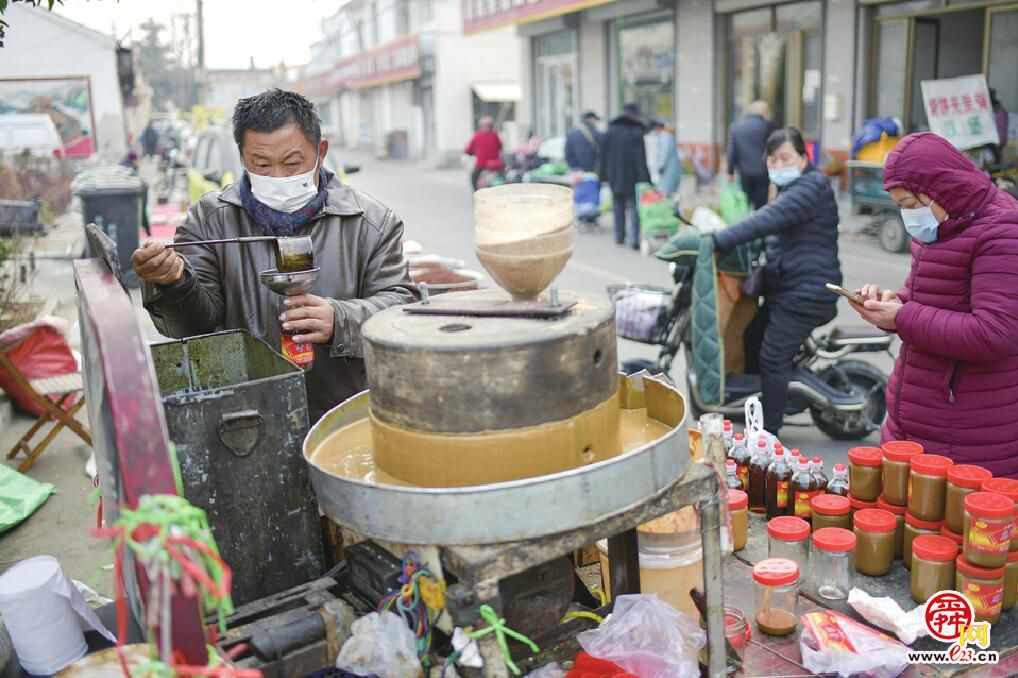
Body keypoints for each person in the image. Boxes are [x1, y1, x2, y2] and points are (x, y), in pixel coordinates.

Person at [131, 89, 418, 423]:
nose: (278, 177)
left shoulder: (370, 223)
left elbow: (401, 306)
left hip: (341, 416)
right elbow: (194, 326)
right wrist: (174, 283)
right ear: (243, 157)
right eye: (262, 164)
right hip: (244, 416)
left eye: (293, 163)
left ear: (320, 152)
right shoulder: (210, 220)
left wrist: (339, 319)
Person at [851, 132, 1018, 478]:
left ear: (941, 189)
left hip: (968, 432)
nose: (908, 216)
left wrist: (903, 317)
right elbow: (924, 299)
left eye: (911, 205)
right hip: (911, 419)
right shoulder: (940, 226)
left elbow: (995, 332)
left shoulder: (1003, 229)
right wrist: (890, 305)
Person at [712, 127, 841, 436]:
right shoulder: (792, 187)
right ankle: (757, 402)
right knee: (751, 336)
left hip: (807, 293)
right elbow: (771, 227)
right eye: (772, 159)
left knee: (772, 355)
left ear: (803, 157)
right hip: (788, 288)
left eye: (785, 157)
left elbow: (766, 220)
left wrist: (715, 240)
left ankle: (768, 431)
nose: (779, 165)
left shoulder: (812, 186)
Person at [600, 103, 651, 249]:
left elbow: (603, 156)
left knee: (618, 206)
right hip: (632, 178)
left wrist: (603, 176)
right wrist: (645, 179)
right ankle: (634, 238)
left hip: (614, 177)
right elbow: (641, 158)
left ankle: (619, 236)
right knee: (634, 208)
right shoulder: (636, 131)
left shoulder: (611, 131)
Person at [727, 100, 776, 209]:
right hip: (763, 172)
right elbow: (774, 148)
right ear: (763, 111)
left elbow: (732, 151)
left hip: (744, 172)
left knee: (745, 203)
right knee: (761, 206)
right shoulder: (767, 126)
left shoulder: (736, 126)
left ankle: (747, 224)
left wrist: (730, 172)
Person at [465, 116, 503, 190]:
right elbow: (500, 147)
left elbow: (469, 149)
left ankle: (476, 192)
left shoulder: (477, 135)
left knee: (473, 177)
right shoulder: (495, 135)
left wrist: (468, 152)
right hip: (495, 164)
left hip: (482, 164)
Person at [651, 120, 681, 198]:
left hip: (668, 169)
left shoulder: (665, 137)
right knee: (669, 191)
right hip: (671, 168)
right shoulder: (668, 136)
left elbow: (664, 152)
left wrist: (661, 165)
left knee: (666, 191)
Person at [990, 87, 1009, 165]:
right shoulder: (999, 109)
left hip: (994, 147)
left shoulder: (997, 111)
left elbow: (1001, 138)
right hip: (998, 143)